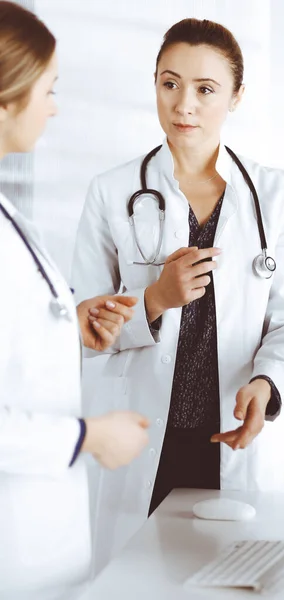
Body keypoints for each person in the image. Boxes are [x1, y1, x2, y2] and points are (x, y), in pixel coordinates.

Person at [72, 18, 284, 573]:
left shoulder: (273, 194)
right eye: (169, 83)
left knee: (242, 582)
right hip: (145, 441)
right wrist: (153, 299)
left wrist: (267, 383)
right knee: (137, 581)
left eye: (206, 89)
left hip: (234, 433)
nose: (184, 105)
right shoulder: (111, 193)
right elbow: (83, 331)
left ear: (236, 97)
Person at [0, 2, 149, 598]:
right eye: (48, 90)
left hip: (40, 548)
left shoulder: (9, 214)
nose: (54, 107)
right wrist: (88, 436)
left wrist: (69, 325)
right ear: (7, 96)